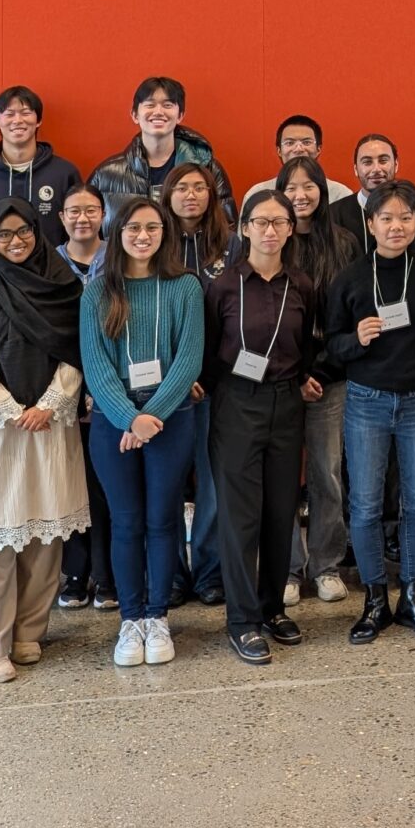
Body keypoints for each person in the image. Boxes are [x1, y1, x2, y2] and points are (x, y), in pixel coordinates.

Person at [0, 199, 90, 682]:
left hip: (49, 425)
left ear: (36, 229)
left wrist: (50, 403)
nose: (15, 242)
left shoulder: (63, 281)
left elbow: (76, 348)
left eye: (22, 231)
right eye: (3, 235)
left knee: (45, 537)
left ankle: (29, 631)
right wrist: (8, 410)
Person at [325, 181, 415, 644]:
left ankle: (414, 597)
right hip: (367, 401)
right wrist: (355, 340)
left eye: (405, 218)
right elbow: (331, 346)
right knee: (364, 505)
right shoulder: (351, 277)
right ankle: (375, 599)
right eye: (387, 218)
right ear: (370, 224)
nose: (396, 226)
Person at [79, 197, 204, 667]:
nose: (143, 236)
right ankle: (130, 619)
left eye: (153, 227)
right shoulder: (97, 293)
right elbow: (96, 366)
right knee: (125, 522)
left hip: (170, 423)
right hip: (114, 426)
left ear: (165, 233)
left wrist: (150, 417)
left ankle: (158, 616)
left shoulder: (184, 287)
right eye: (134, 227)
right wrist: (129, 418)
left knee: (162, 521)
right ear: (118, 233)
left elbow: (188, 359)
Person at [206, 191, 318, 664]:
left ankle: (272, 608)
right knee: (240, 517)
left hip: (287, 404)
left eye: (279, 222)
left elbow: (309, 343)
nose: (270, 231)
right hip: (237, 403)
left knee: (280, 512)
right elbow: (211, 350)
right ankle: (242, 620)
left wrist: (309, 380)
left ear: (291, 230)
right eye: (260, 222)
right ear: (244, 228)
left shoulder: (303, 285)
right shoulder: (224, 286)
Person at [278, 156, 360, 606]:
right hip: (280, 380)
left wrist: (321, 372)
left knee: (328, 474)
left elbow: (350, 316)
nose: (301, 195)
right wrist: (294, 374)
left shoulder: (344, 244)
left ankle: (326, 564)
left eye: (310, 186)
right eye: (292, 187)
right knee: (285, 475)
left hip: (331, 378)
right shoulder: (272, 241)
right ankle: (288, 567)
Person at [163, 161, 230, 607]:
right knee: (165, 482)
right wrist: (178, 377)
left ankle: (208, 570)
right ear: (167, 194)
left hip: (218, 383)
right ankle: (170, 572)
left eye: (200, 188)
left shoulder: (233, 245)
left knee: (213, 483)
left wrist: (206, 374)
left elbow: (242, 317)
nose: (191, 195)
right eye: (182, 187)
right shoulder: (151, 242)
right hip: (165, 386)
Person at [54, 182, 116, 611]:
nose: (82, 218)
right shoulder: (49, 264)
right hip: (60, 384)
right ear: (61, 217)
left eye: (90, 210)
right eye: (73, 211)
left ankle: (107, 573)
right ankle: (75, 574)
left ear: (103, 214)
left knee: (108, 485)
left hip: (111, 382)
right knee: (70, 484)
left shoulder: (120, 257)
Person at [89, 75, 236, 221]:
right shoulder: (105, 175)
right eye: (150, 104)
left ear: (180, 115)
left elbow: (226, 228)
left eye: (167, 105)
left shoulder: (208, 168)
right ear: (134, 115)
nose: (158, 112)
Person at [0, 86, 84, 246]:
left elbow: (79, 228)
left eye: (26, 113)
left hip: (52, 269)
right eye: (9, 114)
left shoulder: (64, 174)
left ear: (39, 120)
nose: (17, 120)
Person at [243, 115, 353, 205]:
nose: (299, 149)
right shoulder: (257, 193)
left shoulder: (341, 194)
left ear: (318, 149)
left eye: (306, 142)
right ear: (279, 150)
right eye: (290, 143)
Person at [329, 133, 399, 253]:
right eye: (367, 162)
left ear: (396, 165)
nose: (376, 169)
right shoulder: (334, 214)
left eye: (383, 161)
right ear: (356, 169)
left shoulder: (414, 210)